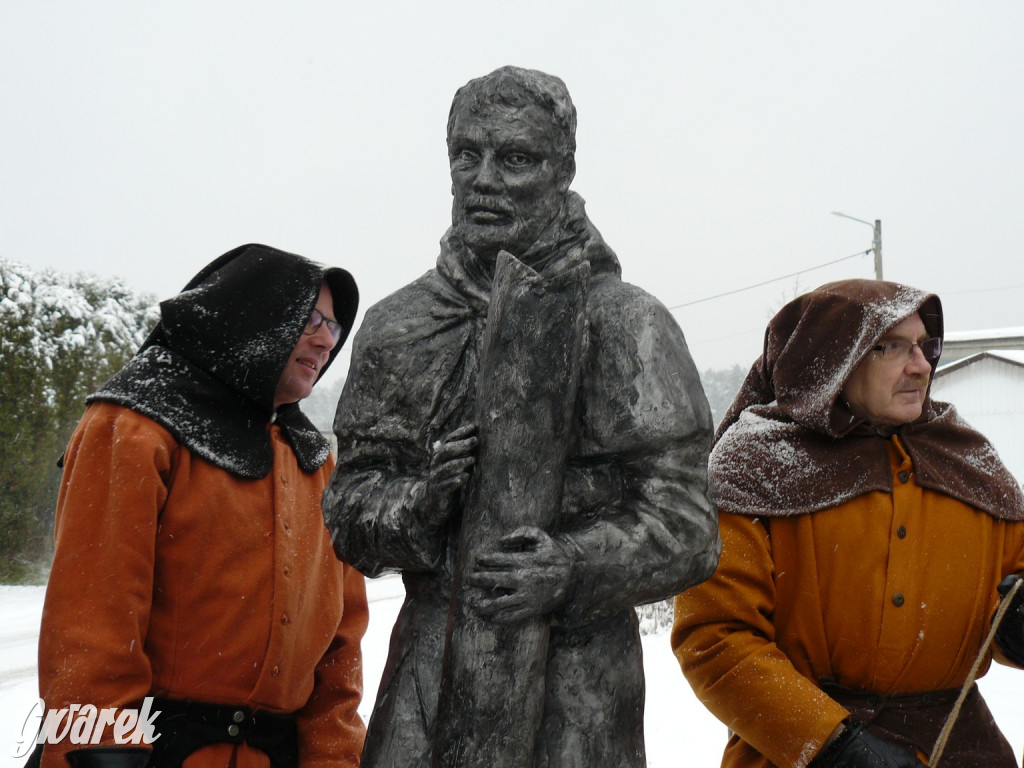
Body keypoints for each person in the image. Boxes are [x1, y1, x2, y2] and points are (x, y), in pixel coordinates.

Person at [323, 66, 719, 767]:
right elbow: (350, 509)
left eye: (516, 159)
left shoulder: (629, 324)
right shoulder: (398, 328)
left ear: (562, 170)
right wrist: (419, 504)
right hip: (430, 675)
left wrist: (570, 566)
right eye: (465, 154)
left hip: (578, 690)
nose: (483, 179)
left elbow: (687, 525)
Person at [35, 244, 367, 768]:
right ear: (252, 311)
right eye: (309, 318)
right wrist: (99, 755)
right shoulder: (133, 427)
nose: (328, 338)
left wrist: (334, 759)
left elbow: (339, 647)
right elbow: (89, 624)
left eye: (333, 325)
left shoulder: (317, 463)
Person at [672, 279, 1024, 768]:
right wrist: (832, 745)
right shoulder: (753, 465)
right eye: (891, 347)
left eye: (925, 346)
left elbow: (1010, 593)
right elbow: (715, 637)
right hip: (797, 755)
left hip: (958, 750)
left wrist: (1016, 628)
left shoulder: (969, 462)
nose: (921, 365)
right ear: (832, 359)